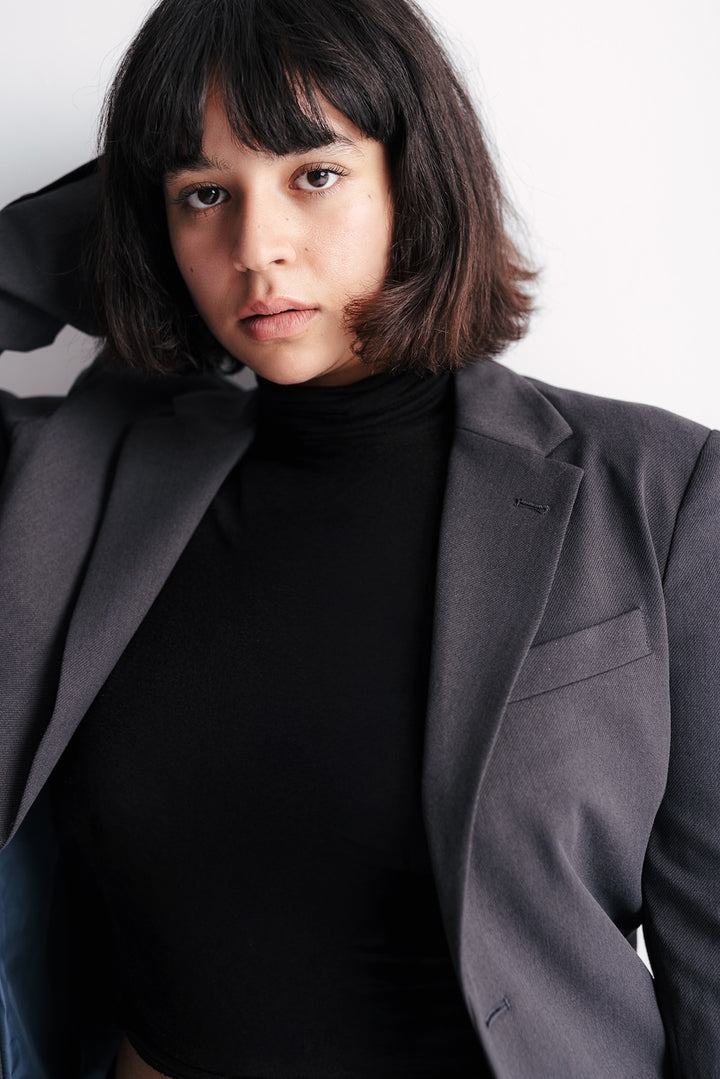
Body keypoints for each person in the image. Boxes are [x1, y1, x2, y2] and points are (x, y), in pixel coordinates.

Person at [0, 0, 718, 1076]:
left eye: (316, 174)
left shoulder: (661, 491)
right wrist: (132, 207)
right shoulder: (81, 475)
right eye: (206, 196)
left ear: (417, 181)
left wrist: (211, 156)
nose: (257, 249)